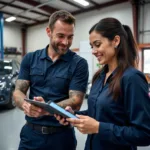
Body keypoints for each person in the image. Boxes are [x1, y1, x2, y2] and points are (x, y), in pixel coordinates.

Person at [55, 17, 150, 150]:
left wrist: (99, 128)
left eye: (97, 44)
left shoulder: (132, 78)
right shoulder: (99, 77)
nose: (93, 51)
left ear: (116, 41)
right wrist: (73, 115)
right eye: (91, 46)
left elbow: (144, 134)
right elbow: (98, 112)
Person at [13, 10, 89, 150]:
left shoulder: (79, 64)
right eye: (60, 36)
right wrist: (25, 105)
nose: (66, 42)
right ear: (49, 31)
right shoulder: (30, 59)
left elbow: (76, 101)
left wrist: (46, 109)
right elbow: (18, 91)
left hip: (61, 138)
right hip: (30, 136)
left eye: (70, 37)